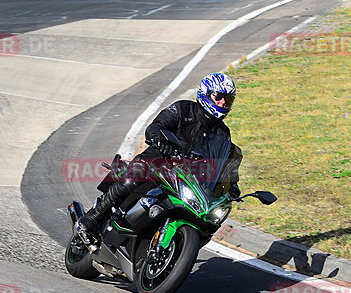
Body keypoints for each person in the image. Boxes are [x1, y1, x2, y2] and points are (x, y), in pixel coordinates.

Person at [76, 72, 242, 242]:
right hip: (157, 162)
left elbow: (222, 162)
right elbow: (156, 126)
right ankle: (94, 215)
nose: (222, 102)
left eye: (227, 100)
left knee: (207, 222)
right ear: (205, 93)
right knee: (132, 179)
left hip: (187, 179)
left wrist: (231, 183)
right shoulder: (183, 108)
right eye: (219, 97)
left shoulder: (222, 133)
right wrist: (159, 139)